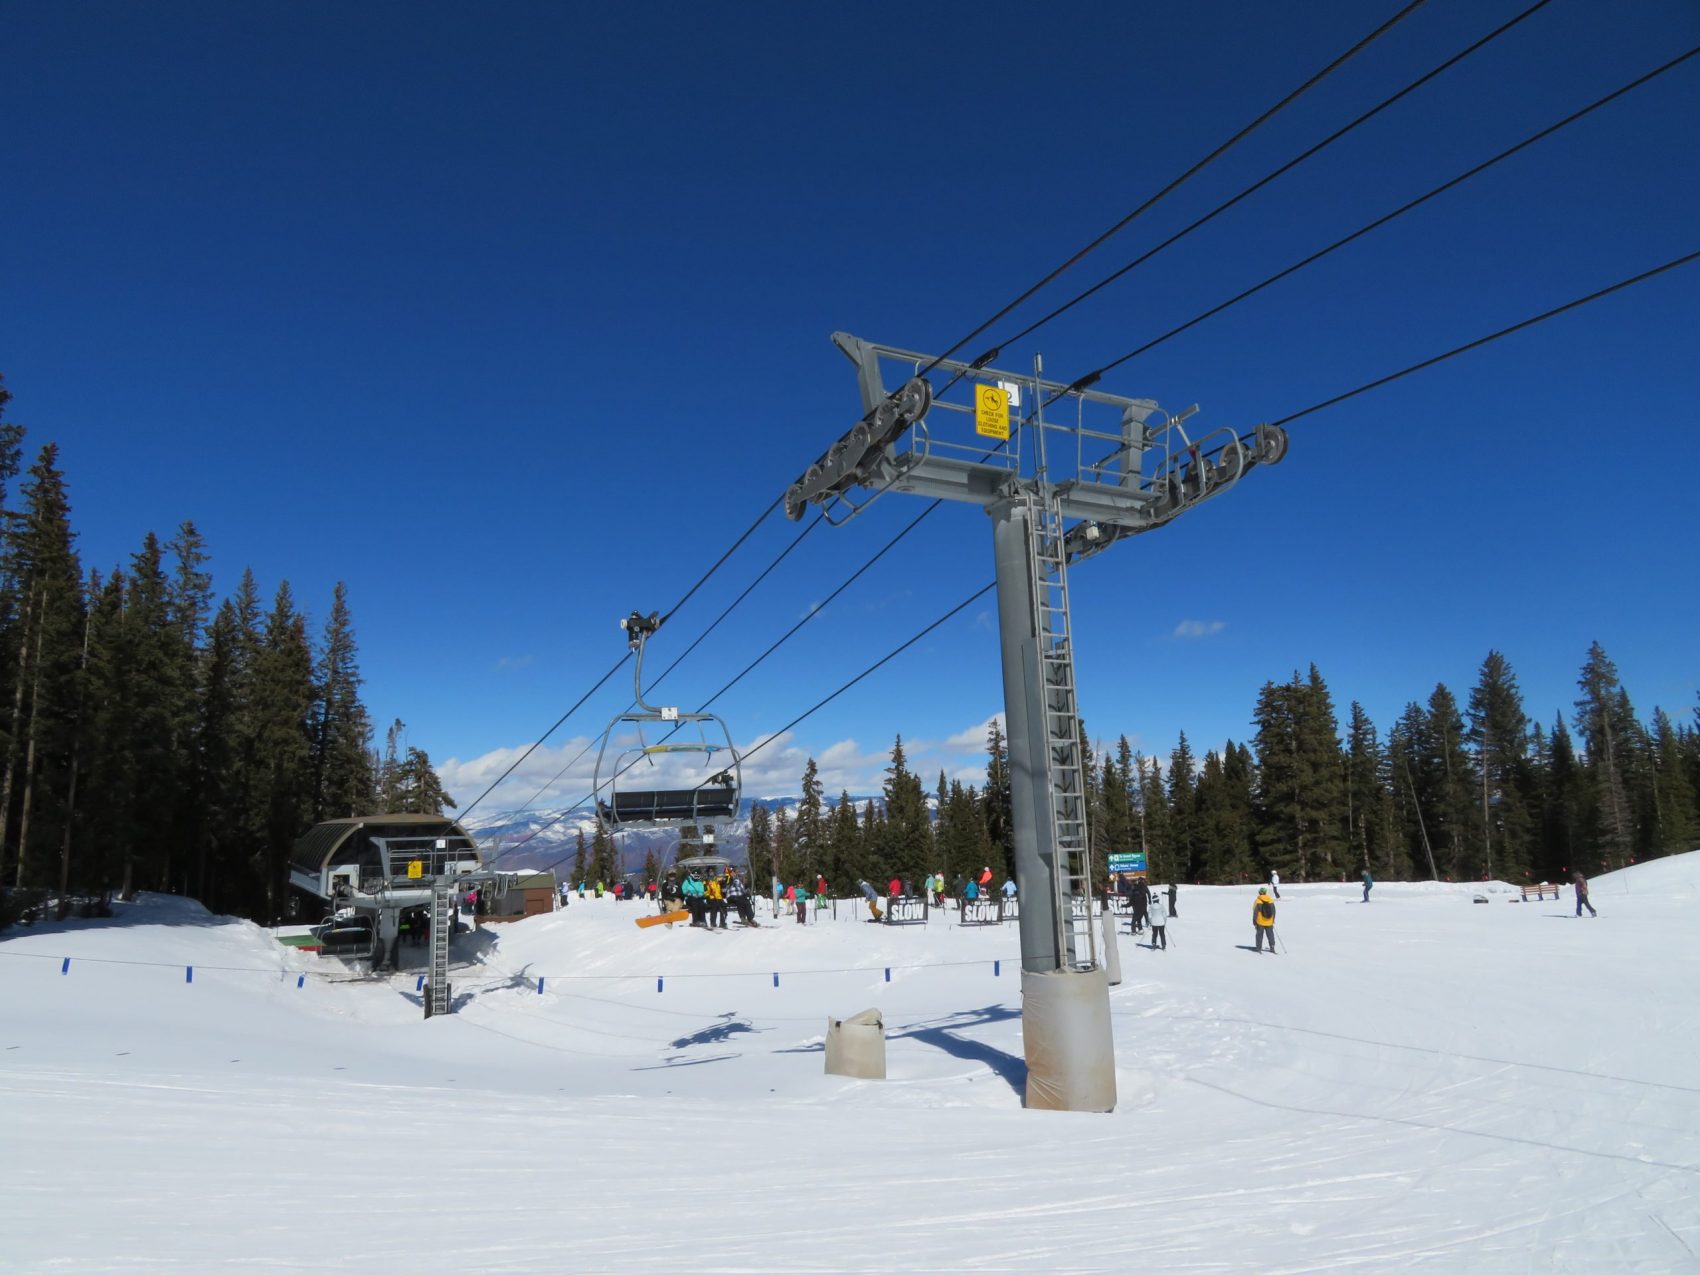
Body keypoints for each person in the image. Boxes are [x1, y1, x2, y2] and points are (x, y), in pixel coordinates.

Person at [1253, 888, 1277, 953]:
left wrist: (1254, 921)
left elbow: (1255, 912)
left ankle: (1259, 948)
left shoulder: (1257, 901)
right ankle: (1272, 947)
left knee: (1259, 935)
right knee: (1270, 934)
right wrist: (1273, 920)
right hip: (1269, 921)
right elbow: (1274, 911)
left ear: (1260, 893)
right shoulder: (1270, 900)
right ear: (1265, 892)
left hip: (1260, 921)